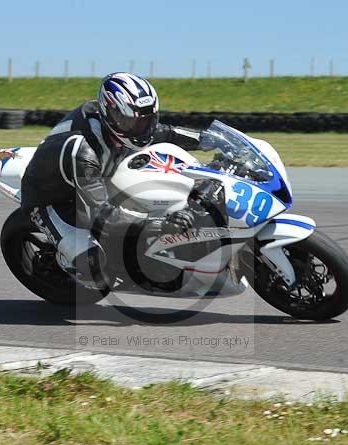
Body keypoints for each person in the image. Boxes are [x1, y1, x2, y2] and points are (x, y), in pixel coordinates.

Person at [20, 72, 223, 288]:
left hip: (97, 178)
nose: (142, 129)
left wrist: (211, 140)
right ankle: (66, 259)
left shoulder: (128, 124)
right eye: (132, 122)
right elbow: (100, 214)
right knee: (93, 268)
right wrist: (158, 225)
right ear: (111, 114)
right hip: (55, 198)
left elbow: (167, 133)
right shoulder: (84, 152)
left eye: (147, 120)